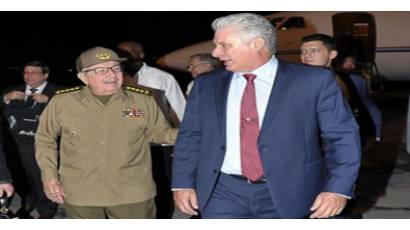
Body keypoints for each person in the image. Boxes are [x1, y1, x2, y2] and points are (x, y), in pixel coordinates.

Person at [172, 13, 361, 219]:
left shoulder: (313, 81)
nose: (216, 53)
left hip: (291, 192)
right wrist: (182, 183)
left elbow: (342, 137)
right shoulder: (207, 84)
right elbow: (190, 136)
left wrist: (337, 189)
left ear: (257, 43)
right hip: (222, 192)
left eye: (224, 45)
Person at [35, 46, 178, 219]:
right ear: (83, 77)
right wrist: (50, 177)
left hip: (131, 192)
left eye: (115, 68)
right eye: (102, 70)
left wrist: (194, 134)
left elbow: (159, 133)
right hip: (81, 191)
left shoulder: (142, 100)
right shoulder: (63, 102)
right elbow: (45, 139)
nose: (111, 75)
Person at [117, 41, 186, 218]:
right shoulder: (114, 78)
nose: (124, 54)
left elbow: (180, 109)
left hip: (158, 144)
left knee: (159, 187)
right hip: (126, 144)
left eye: (130, 51)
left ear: (141, 55)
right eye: (120, 51)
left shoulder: (160, 78)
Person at [2, 61, 60, 218]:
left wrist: (50, 101)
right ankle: (28, 202)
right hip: (15, 144)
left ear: (45, 75)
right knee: (20, 177)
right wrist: (6, 98)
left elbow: (75, 114)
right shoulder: (11, 90)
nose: (29, 76)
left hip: (42, 145)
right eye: (26, 72)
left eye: (34, 72)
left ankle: (46, 212)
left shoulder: (58, 93)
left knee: (43, 179)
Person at [300, 34, 382, 145]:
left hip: (344, 143)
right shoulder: (294, 82)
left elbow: (369, 107)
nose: (306, 55)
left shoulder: (353, 81)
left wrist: (376, 135)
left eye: (314, 51)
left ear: (332, 54)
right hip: (309, 145)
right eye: (303, 51)